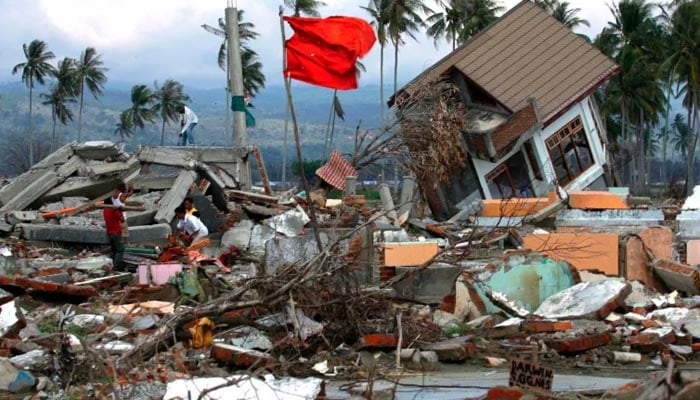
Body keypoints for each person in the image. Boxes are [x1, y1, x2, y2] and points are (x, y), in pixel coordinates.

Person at [103, 198, 126, 272]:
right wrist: (120, 211)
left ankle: (110, 266)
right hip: (116, 233)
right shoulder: (114, 210)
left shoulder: (105, 210)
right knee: (120, 250)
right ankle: (116, 268)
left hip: (109, 233)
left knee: (113, 251)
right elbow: (122, 220)